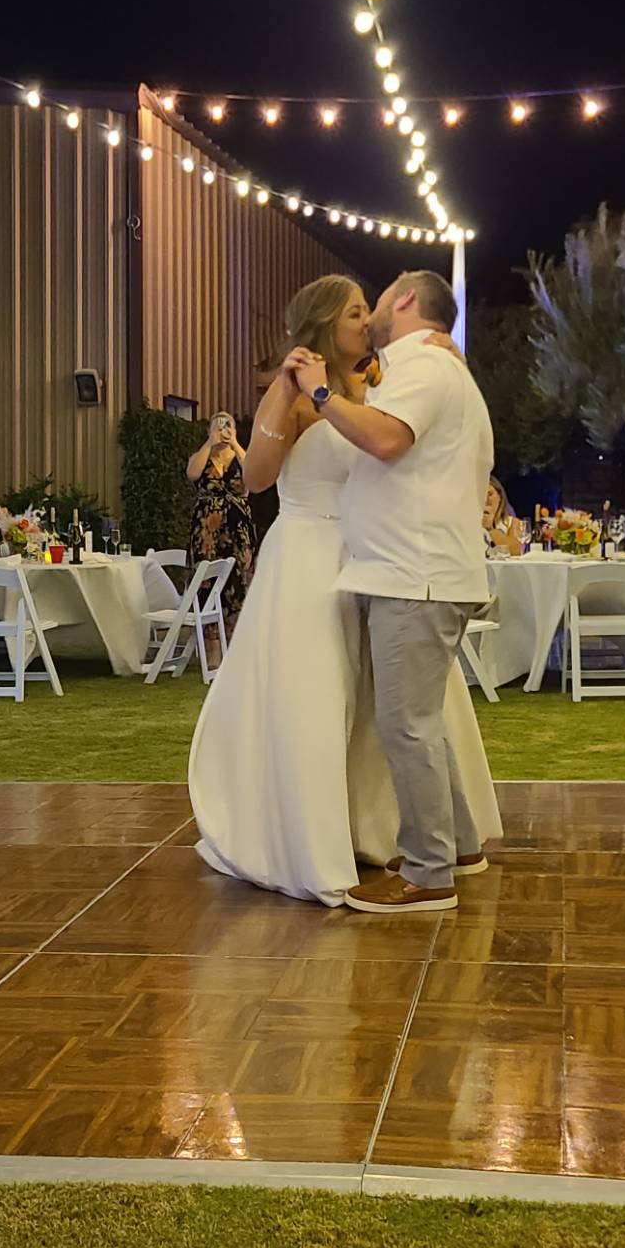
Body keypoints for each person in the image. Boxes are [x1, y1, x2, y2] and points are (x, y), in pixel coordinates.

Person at [187, 274, 498, 908]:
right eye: (357, 311)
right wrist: (286, 390)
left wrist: (444, 349)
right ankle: (319, 836)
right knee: (325, 700)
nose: (369, 319)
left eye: (371, 308)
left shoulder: (385, 380)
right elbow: (255, 480)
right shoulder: (299, 391)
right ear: (329, 321)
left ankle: (401, 836)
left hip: (382, 559)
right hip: (309, 557)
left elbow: (403, 431)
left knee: (400, 709)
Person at [293, 270, 495, 915]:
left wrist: (320, 392)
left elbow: (384, 438)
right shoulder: (430, 366)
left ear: (407, 301)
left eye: (380, 299)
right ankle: (459, 845)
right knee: (421, 723)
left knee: (405, 726)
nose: (372, 308)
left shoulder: (427, 370)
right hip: (414, 570)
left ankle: (430, 875)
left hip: (415, 573)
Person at [186, 412, 256, 639]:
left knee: (238, 579)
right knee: (207, 581)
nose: (223, 430)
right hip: (206, 530)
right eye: (219, 426)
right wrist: (210, 442)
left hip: (238, 529)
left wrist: (234, 443)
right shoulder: (202, 455)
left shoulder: (240, 455)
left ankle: (236, 639)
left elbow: (254, 477)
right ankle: (211, 641)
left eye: (228, 426)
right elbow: (193, 473)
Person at [483, 476, 521, 556]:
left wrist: (490, 529)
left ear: (499, 497)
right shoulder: (469, 521)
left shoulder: (512, 522)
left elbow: (516, 551)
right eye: (482, 494)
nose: (486, 499)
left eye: (490, 494)